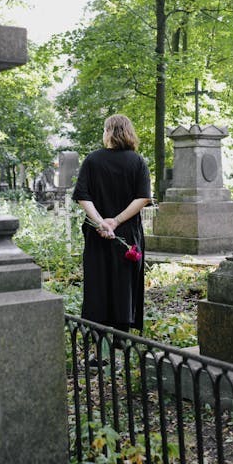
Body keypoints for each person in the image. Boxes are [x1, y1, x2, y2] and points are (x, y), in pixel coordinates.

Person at [72, 114, 151, 333]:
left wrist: (101, 223)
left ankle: (98, 344)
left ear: (109, 132)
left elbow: (82, 195)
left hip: (98, 234)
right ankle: (121, 341)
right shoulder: (138, 162)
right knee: (124, 285)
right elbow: (143, 197)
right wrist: (114, 222)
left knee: (98, 284)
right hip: (126, 233)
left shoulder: (92, 160)